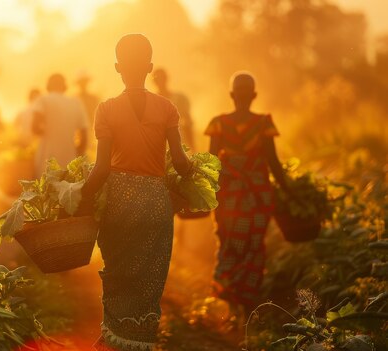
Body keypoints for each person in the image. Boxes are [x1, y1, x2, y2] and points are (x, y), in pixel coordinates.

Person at [78, 34, 192, 351]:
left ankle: (114, 338)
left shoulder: (106, 110)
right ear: (150, 67)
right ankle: (140, 341)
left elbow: (101, 169)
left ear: (117, 68)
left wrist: (81, 198)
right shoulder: (168, 108)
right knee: (149, 279)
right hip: (157, 202)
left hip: (120, 201)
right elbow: (181, 162)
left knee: (117, 274)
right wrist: (192, 177)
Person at [205, 72, 293, 320]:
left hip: (229, 198)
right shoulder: (264, 123)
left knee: (229, 244)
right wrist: (291, 192)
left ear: (231, 95)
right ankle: (247, 306)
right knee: (253, 248)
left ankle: (232, 306)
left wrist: (202, 193)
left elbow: (211, 163)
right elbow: (273, 163)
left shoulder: (218, 123)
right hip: (257, 198)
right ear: (254, 96)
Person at [32, 73, 88, 176]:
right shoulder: (75, 103)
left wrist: (47, 131)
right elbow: (84, 135)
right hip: (69, 159)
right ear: (64, 86)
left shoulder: (43, 100)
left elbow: (34, 127)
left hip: (46, 159)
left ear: (48, 86)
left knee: (45, 189)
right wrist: (78, 156)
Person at [152, 68, 195, 150]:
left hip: (181, 143)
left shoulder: (180, 99)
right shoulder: (152, 102)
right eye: (157, 79)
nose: (160, 81)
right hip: (161, 147)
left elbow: (188, 123)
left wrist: (192, 146)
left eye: (162, 78)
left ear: (166, 79)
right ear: (154, 82)